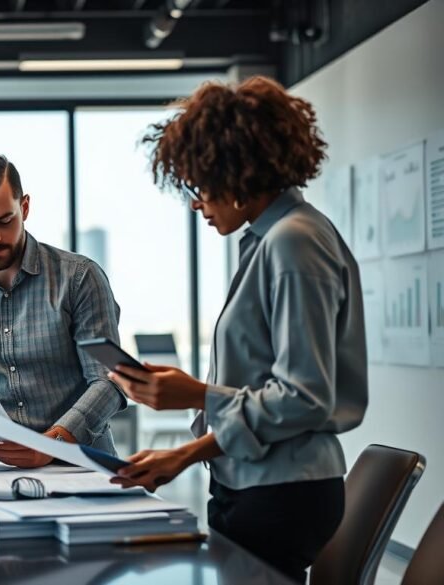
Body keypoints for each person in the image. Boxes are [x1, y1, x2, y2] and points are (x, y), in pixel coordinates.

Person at [107, 76, 367, 582]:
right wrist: (185, 434)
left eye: (199, 185)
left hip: (280, 494)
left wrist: (196, 398)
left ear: (237, 172)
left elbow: (303, 397)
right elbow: (266, 391)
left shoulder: (294, 243)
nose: (195, 202)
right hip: (256, 486)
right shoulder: (275, 240)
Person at [0, 154, 125, 468]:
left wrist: (52, 443)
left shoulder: (80, 278)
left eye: (5, 221)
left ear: (24, 207)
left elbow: (109, 381)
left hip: (83, 466)